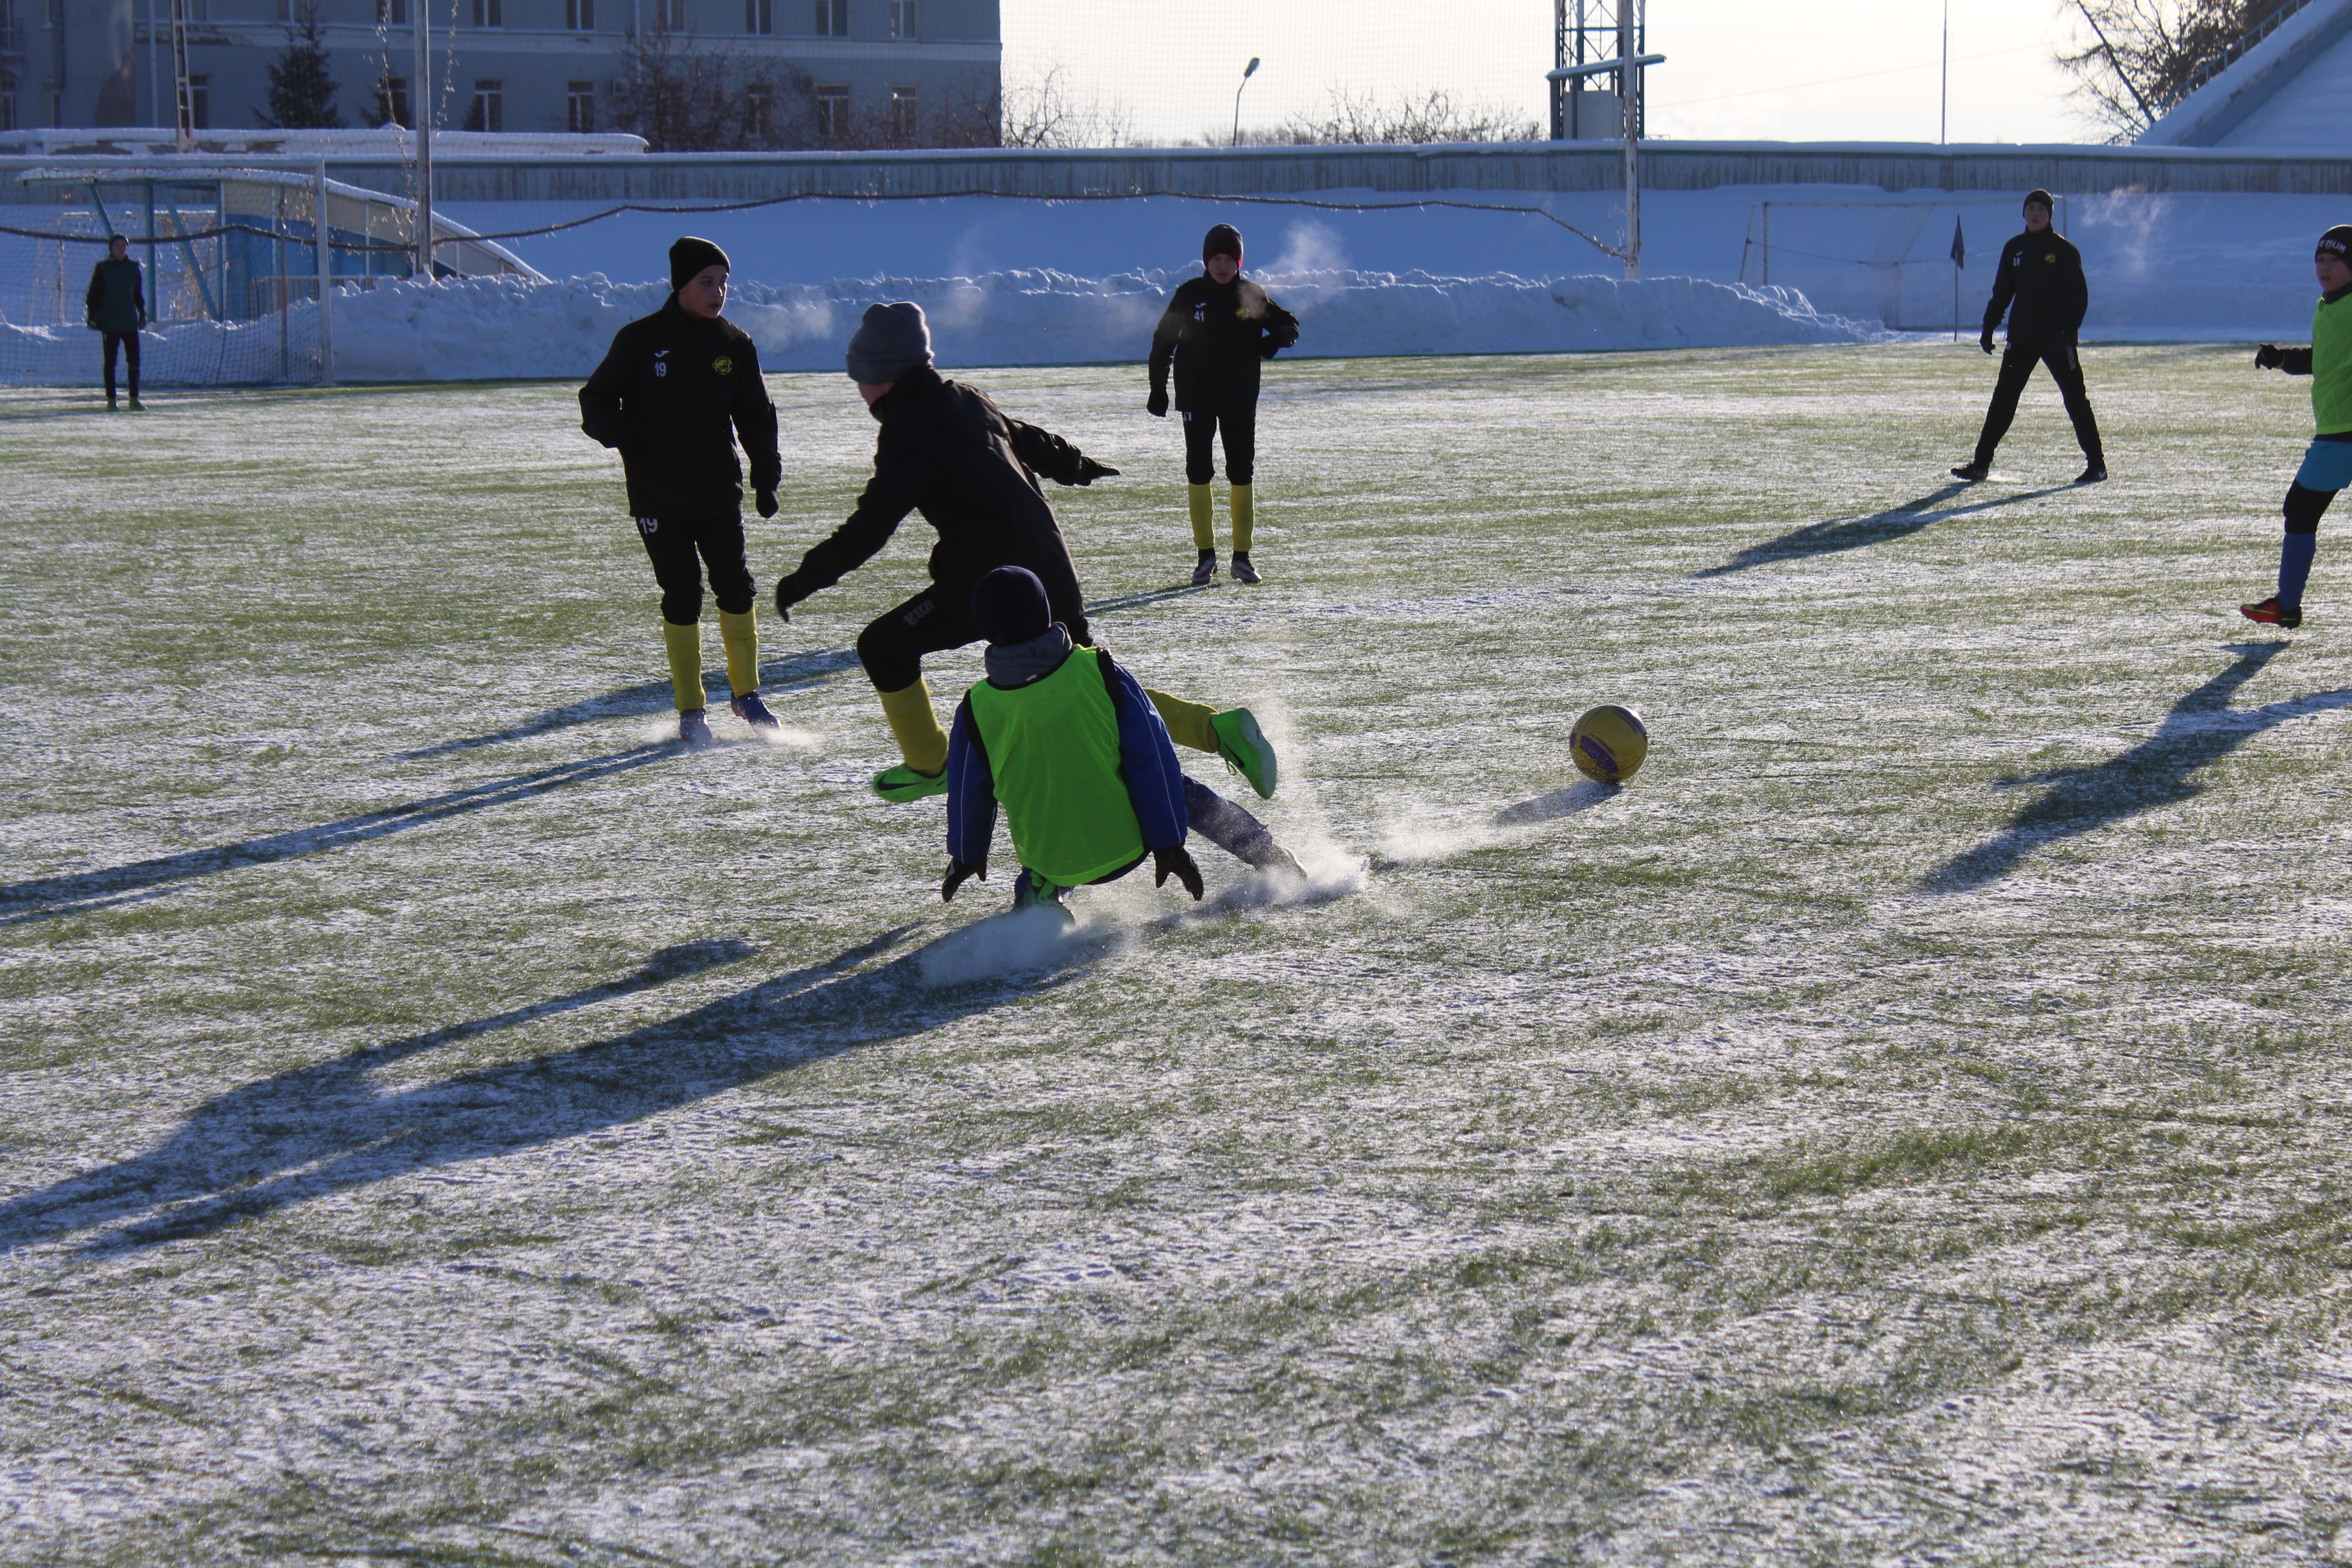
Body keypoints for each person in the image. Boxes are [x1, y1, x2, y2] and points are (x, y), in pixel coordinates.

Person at [771, 300, 1281, 805]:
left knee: (884, 646)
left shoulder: (907, 430)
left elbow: (872, 524)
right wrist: (1077, 465)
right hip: (1050, 567)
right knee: (1096, 683)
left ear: (879, 373)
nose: (858, 386)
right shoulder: (967, 398)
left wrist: (805, 578)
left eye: (858, 374)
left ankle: (931, 764)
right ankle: (1218, 729)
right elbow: (1026, 440)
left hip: (991, 586)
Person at [940, 566, 1303, 915]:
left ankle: (1041, 906)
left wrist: (966, 857)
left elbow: (967, 795)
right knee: (1182, 790)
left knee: (1042, 851)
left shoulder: (975, 708)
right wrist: (1170, 846)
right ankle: (1269, 855)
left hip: (1056, 862)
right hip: (1134, 844)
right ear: (1046, 612)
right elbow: (1153, 761)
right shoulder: (1100, 669)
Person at [580, 236, 784, 747]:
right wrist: (631, 436)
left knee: (736, 586)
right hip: (658, 497)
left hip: (718, 490)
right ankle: (692, 709)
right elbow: (596, 402)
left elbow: (757, 416)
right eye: (706, 283)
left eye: (723, 284)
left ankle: (746, 695)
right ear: (681, 286)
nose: (718, 293)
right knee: (683, 593)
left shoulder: (735, 344)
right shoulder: (640, 341)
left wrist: (766, 475)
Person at [1147, 222, 1301, 585]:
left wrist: (1274, 341)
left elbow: (1290, 325)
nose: (1222, 265)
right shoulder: (1189, 294)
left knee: (1241, 472)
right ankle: (1205, 557)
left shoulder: (1251, 295)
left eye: (1229, 259)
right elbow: (1162, 342)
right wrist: (1158, 389)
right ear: (1206, 260)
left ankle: (1242, 559)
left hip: (1239, 397)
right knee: (1198, 472)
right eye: (1216, 258)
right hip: (1196, 397)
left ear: (1239, 262)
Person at [1951, 190, 2107, 485]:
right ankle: (1980, 465)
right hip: (2022, 338)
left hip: (2058, 341)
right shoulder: (2014, 249)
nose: (2035, 213)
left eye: (2041, 209)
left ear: (2049, 215)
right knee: (2003, 401)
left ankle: (2097, 465)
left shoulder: (2064, 251)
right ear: (2024, 214)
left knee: (2075, 400)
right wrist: (1988, 327)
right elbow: (2002, 293)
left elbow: (2079, 296)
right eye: (2031, 208)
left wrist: (2067, 330)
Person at [2239, 225, 2352, 629]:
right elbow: (2324, 359)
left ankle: (2287, 605)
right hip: (2336, 430)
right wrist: (2282, 358)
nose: (2324, 266)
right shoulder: (2327, 306)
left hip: (2344, 432)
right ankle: (2286, 606)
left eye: (2334, 260)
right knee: (2300, 511)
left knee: (2300, 510)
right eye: (2320, 260)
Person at [85, 235, 147, 413]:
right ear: (111, 248)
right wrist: (92, 315)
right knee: (111, 362)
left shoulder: (134, 268)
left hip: (129, 322)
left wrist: (142, 312)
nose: (121, 248)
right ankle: (112, 400)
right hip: (110, 323)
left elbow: (137, 294)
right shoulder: (103, 268)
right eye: (118, 245)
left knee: (134, 361)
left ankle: (134, 399)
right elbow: (94, 294)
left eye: (124, 246)